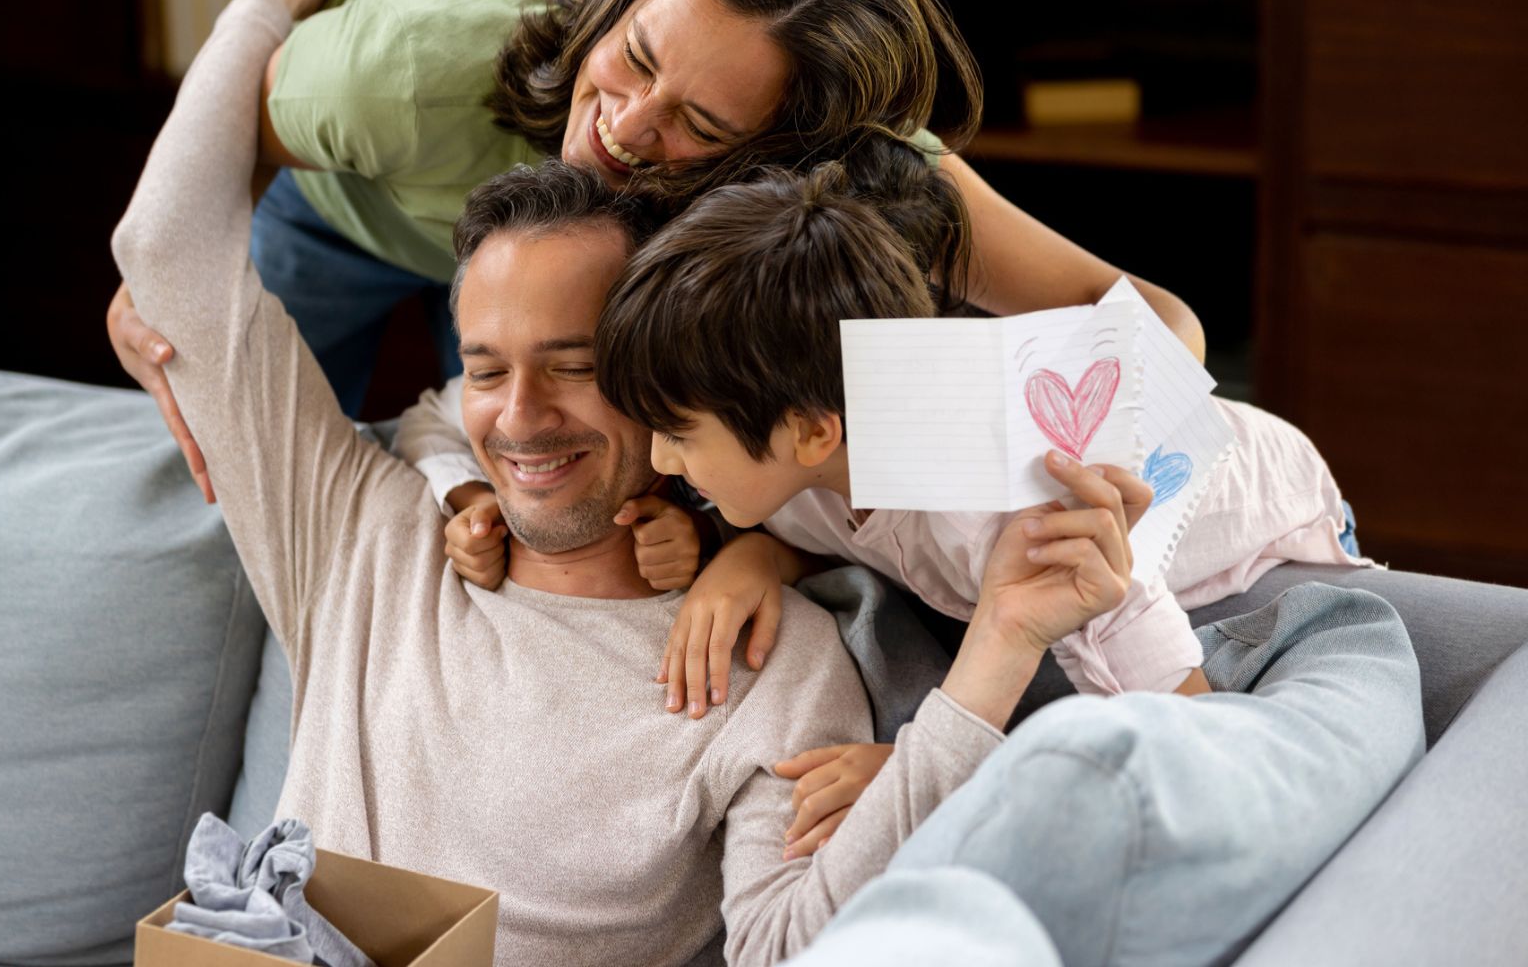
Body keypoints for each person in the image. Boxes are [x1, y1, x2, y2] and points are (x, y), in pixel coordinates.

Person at [109, 0, 1158, 964]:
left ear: (673, 374)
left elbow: (784, 943)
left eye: (575, 368)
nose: (518, 420)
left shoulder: (773, 658)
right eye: (484, 369)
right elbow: (167, 248)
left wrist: (997, 653)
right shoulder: (359, 524)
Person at [107, 0, 1208, 501]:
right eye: (636, 56)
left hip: (576, 295)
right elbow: (225, 124)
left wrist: (1070, 453)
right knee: (216, 487)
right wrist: (162, 267)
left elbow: (1155, 322)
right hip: (352, 210)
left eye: (701, 124)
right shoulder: (403, 72)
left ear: (782, 153)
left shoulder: (858, 167)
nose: (625, 126)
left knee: (538, 524)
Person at [584, 161, 1370, 850]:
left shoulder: (1023, 522)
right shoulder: (799, 472)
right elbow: (840, 533)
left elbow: (1186, 739)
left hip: (1276, 506)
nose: (658, 461)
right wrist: (754, 556)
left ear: (813, 432)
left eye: (678, 433)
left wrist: (930, 772)